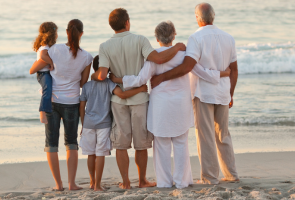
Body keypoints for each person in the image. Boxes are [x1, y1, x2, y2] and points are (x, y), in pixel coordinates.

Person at [110, 21, 231, 188]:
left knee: (161, 146)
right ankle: (182, 182)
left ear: (157, 38)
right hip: (180, 104)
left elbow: (139, 80)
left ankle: (164, 182)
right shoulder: (184, 55)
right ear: (174, 35)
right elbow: (201, 72)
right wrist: (222, 74)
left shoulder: (153, 57)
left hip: (160, 106)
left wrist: (118, 79)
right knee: (181, 144)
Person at [91, 8, 187, 189]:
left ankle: (126, 182)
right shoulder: (140, 40)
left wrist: (94, 78)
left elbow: (102, 74)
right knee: (140, 142)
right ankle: (142, 180)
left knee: (121, 142)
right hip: (140, 98)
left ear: (112, 26)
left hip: (118, 100)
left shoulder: (104, 46)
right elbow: (157, 59)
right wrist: (178, 47)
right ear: (127, 22)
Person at [150, 3, 239, 185]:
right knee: (223, 135)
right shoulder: (228, 38)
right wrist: (231, 93)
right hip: (222, 93)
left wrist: (162, 77)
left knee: (205, 135)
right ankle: (231, 174)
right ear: (213, 17)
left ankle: (210, 177)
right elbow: (234, 70)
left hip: (203, 93)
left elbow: (188, 66)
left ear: (198, 18)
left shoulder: (196, 38)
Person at [30, 19, 93, 190]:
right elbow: (82, 83)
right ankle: (72, 184)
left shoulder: (54, 49)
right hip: (71, 102)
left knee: (51, 143)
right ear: (81, 34)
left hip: (52, 101)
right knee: (71, 142)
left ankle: (58, 185)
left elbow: (41, 65)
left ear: (66, 32)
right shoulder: (87, 57)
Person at [79, 55, 148, 191]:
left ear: (93, 68)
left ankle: (92, 182)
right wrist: (140, 89)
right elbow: (122, 95)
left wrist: (83, 123)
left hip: (88, 124)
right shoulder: (109, 84)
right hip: (104, 124)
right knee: (100, 154)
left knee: (90, 154)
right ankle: (98, 185)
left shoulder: (86, 86)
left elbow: (81, 107)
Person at [29, 22, 57, 124]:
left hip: (46, 73)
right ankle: (43, 112)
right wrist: (51, 63)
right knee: (47, 90)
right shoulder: (45, 47)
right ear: (52, 34)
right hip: (43, 73)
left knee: (53, 90)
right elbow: (43, 56)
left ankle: (57, 111)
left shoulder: (47, 46)